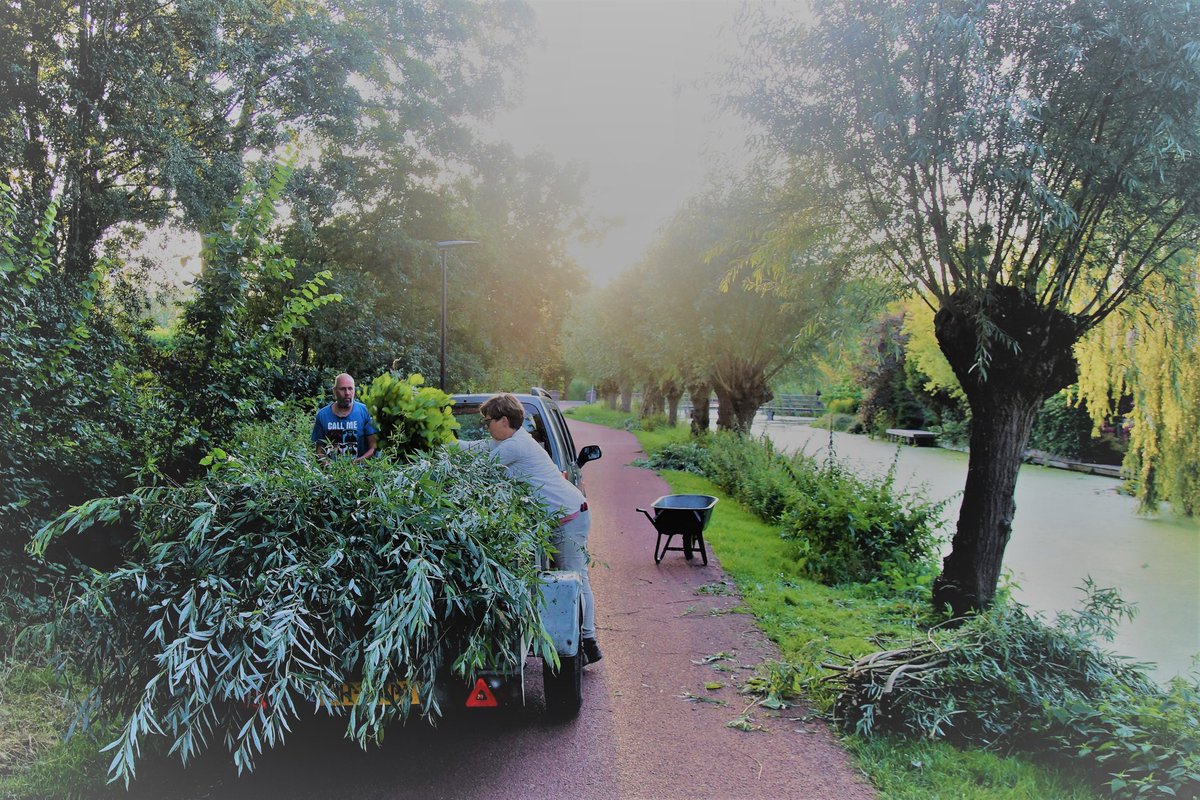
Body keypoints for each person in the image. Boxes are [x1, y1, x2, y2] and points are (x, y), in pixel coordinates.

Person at [460, 393, 602, 665]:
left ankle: (589, 641)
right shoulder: (513, 440)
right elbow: (480, 447)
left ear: (503, 420)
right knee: (566, 578)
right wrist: (449, 445)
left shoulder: (516, 446)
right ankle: (583, 638)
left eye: (488, 421)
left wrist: (454, 451)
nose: (486, 426)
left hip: (570, 517)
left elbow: (482, 464)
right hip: (557, 518)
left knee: (574, 578)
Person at [312, 373, 378, 463]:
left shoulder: (364, 412)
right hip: (331, 474)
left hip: (362, 471)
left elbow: (373, 448)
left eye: (350, 388)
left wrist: (356, 463)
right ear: (334, 391)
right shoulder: (323, 415)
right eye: (342, 389)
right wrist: (330, 468)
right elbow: (319, 451)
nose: (347, 393)